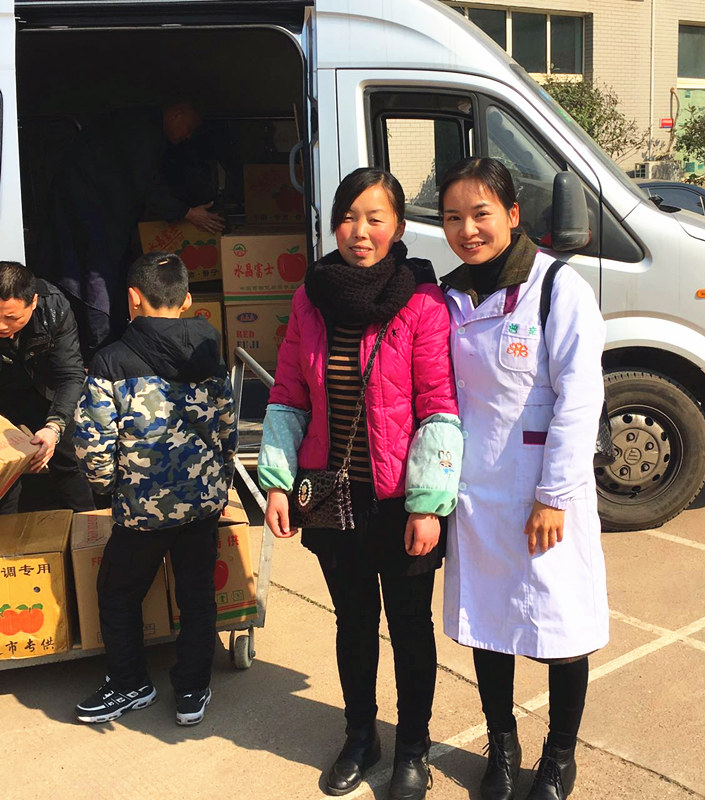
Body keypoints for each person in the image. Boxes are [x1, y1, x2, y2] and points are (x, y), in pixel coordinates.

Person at [258, 168, 462, 799]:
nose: (360, 231)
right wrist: (277, 483)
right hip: (331, 496)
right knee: (352, 622)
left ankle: (413, 749)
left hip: (401, 502)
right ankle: (360, 735)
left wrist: (428, 504)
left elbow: (438, 404)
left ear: (397, 226)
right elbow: (289, 393)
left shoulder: (422, 302)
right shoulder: (310, 297)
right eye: (349, 217)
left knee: (409, 626)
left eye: (375, 218)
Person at [438, 158, 608, 800]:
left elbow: (580, 398)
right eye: (453, 217)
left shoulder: (557, 287)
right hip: (476, 496)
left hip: (544, 495)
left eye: (481, 214)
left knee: (561, 631)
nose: (467, 230)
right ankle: (502, 749)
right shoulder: (448, 295)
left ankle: (559, 757)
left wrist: (554, 496)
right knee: (489, 627)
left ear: (512, 215)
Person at [72, 252, 238, 727]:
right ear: (187, 300)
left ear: (132, 298)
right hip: (202, 504)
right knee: (197, 595)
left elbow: (93, 442)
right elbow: (228, 427)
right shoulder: (210, 352)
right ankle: (191, 690)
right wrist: (219, 480)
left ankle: (130, 684)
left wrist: (109, 489)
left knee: (118, 592)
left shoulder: (111, 360)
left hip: (142, 510)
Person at [35, 101, 225, 361]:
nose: (187, 136)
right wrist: (187, 212)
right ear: (177, 113)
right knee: (95, 279)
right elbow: (145, 183)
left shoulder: (141, 127)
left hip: (97, 212)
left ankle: (104, 346)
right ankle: (100, 352)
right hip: (90, 215)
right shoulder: (141, 132)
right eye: (188, 128)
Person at [0, 261, 94, 514]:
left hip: (47, 388)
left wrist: (54, 426)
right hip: (4, 394)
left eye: (11, 318)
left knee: (68, 460)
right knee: (6, 472)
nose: (1, 326)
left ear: (33, 301)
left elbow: (70, 375)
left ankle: (86, 526)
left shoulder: (53, 306)